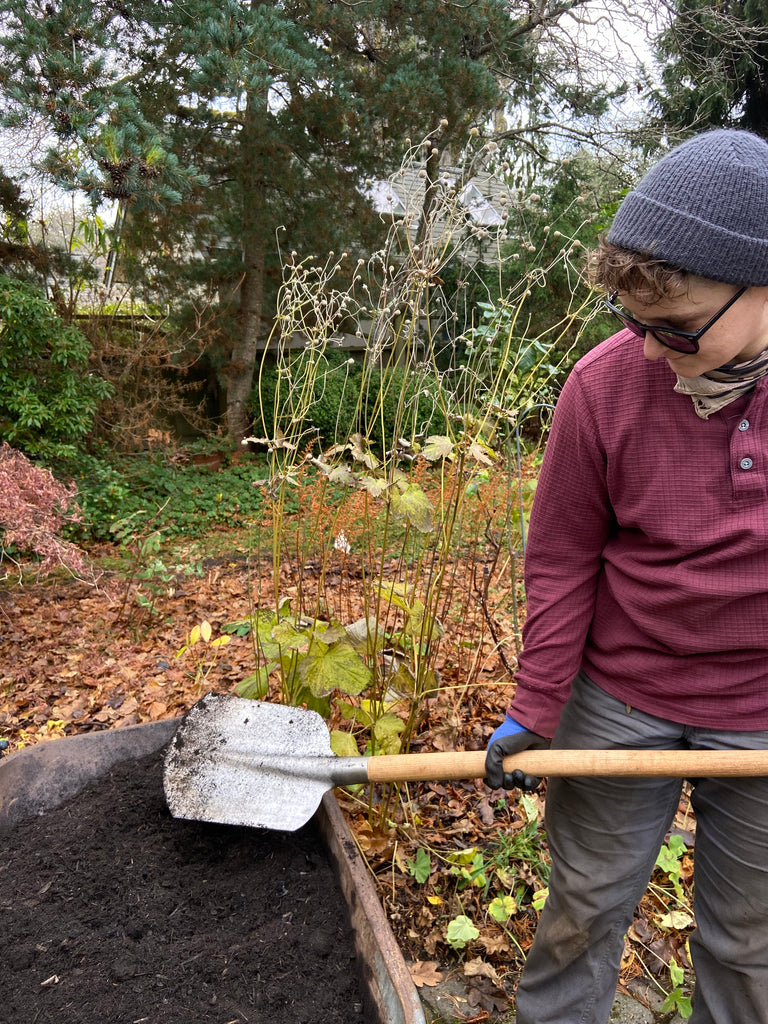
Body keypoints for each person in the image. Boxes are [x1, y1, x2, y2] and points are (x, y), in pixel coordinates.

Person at [485, 128, 768, 1024]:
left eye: (675, 327)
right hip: (620, 697)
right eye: (631, 323)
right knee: (582, 909)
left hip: (762, 713)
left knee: (750, 942)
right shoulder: (602, 387)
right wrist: (536, 704)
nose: (648, 350)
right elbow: (562, 556)